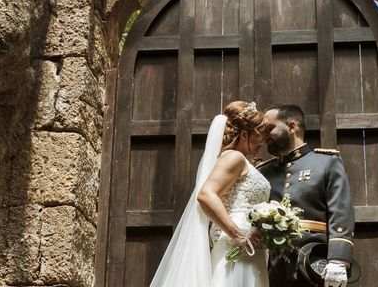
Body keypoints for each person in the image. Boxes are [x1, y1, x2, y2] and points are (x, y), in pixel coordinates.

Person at [150, 100, 271, 287]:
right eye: (258, 136)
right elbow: (206, 195)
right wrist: (237, 234)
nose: (261, 142)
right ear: (245, 133)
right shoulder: (234, 157)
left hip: (249, 247)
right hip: (238, 246)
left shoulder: (239, 160)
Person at [258, 103, 355, 287]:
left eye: (270, 128)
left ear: (292, 127)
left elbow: (340, 211)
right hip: (273, 268)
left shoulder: (326, 163)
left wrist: (339, 259)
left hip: (314, 262)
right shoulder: (264, 172)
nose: (265, 137)